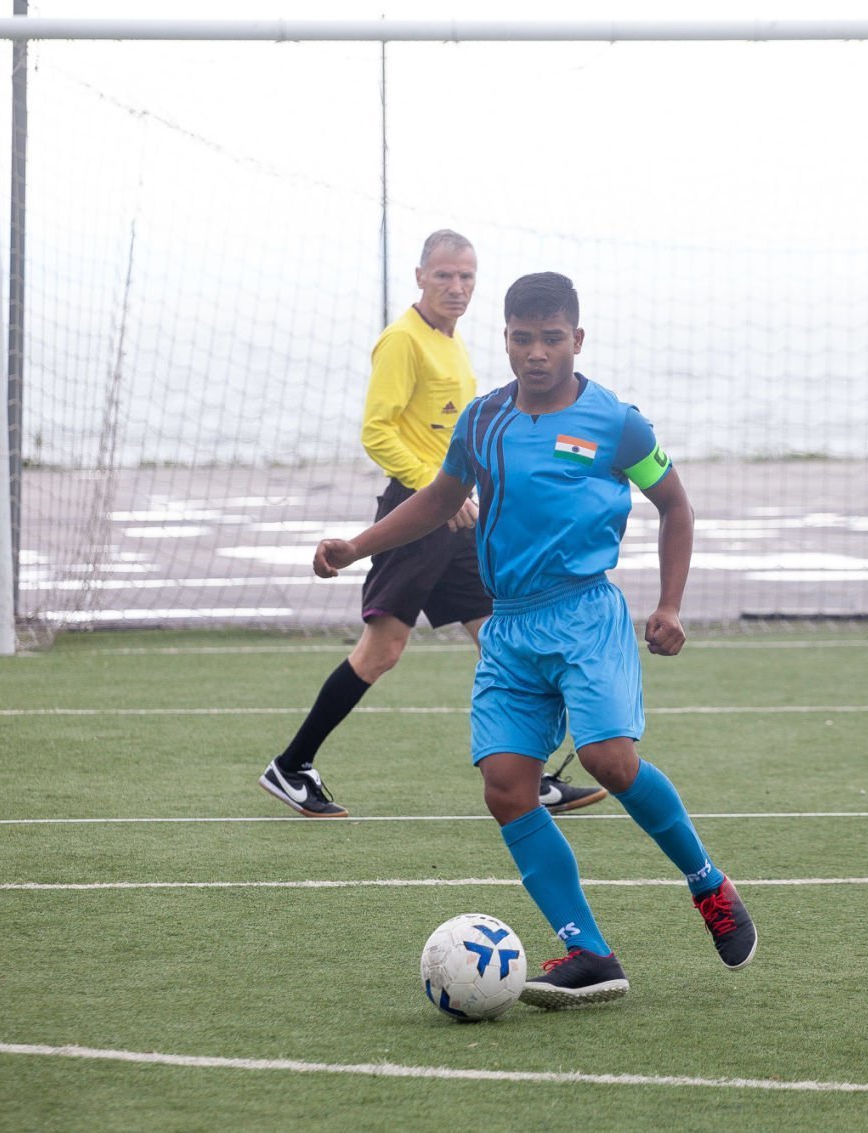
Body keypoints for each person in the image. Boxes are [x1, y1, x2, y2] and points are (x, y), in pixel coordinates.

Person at [312, 271, 756, 1007]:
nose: (537, 353)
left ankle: (707, 882)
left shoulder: (618, 423)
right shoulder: (483, 420)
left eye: (552, 339)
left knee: (610, 761)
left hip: (585, 614)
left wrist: (670, 604)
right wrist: (357, 546)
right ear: (507, 339)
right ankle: (589, 952)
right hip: (510, 624)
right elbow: (441, 499)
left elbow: (675, 505)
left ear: (577, 339)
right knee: (507, 787)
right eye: (523, 338)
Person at [259, 232, 606, 820]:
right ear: (420, 276)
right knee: (382, 650)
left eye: (466, 276)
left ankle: (531, 776)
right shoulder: (402, 341)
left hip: (457, 519)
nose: (456, 287)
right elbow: (377, 431)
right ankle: (291, 766)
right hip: (418, 515)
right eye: (444, 275)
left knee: (500, 640)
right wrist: (434, 489)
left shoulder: (452, 340)